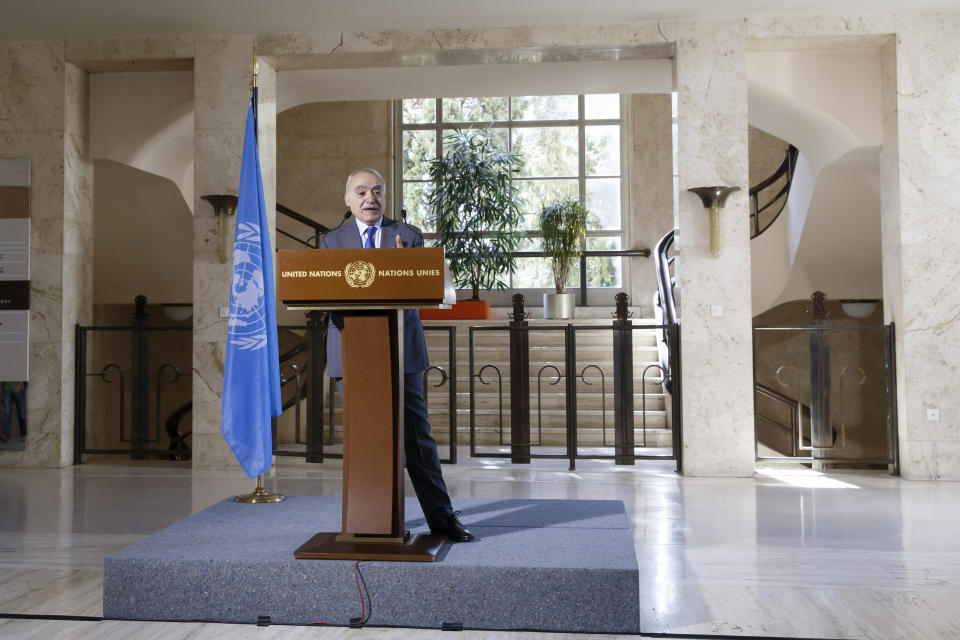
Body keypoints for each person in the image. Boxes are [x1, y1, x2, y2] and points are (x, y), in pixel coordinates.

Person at [318, 168, 473, 542]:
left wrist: (406, 269)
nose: (370, 198)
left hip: (401, 352)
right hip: (351, 353)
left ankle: (442, 518)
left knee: (417, 439)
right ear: (348, 200)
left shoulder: (408, 236)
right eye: (361, 192)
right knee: (363, 440)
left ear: (384, 197)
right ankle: (365, 521)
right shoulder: (330, 242)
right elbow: (325, 297)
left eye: (377, 191)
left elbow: (429, 291)